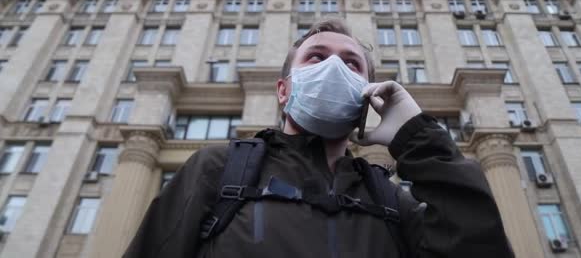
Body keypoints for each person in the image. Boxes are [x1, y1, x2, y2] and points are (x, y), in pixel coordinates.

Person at [124, 18, 515, 258]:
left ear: (369, 94)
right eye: (316, 56)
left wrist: (420, 141)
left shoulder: (391, 198)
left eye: (350, 63)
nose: (333, 66)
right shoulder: (220, 169)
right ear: (283, 90)